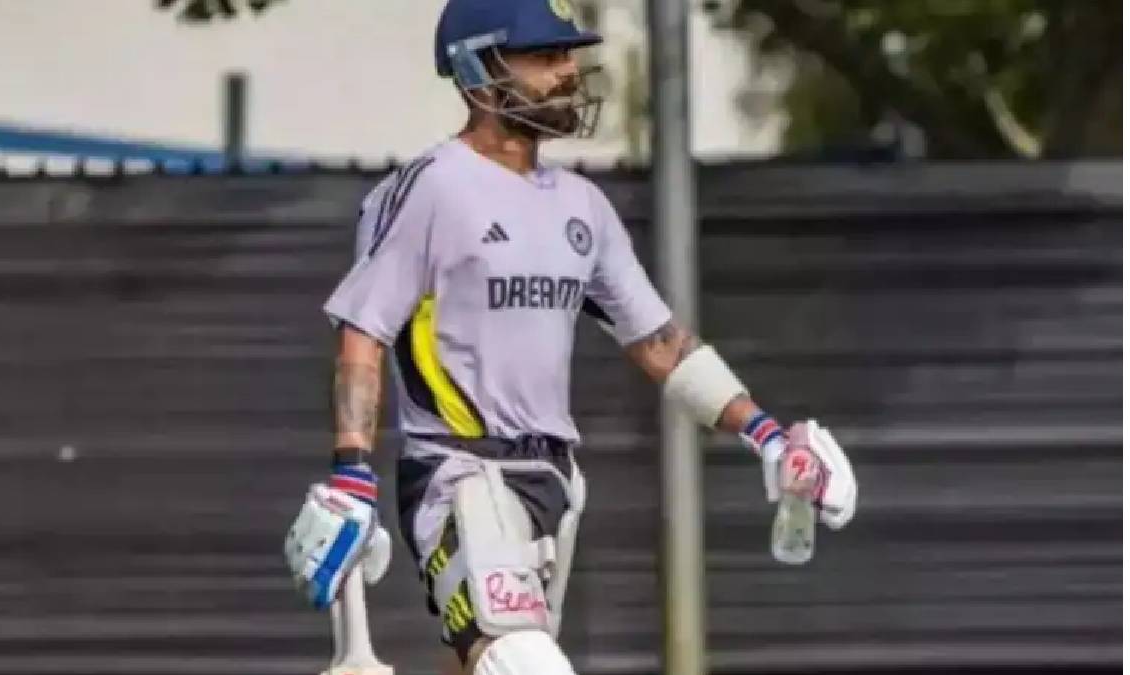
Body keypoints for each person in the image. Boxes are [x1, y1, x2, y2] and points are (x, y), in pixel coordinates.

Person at [284, 1, 855, 673]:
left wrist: (764, 433)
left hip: (554, 485)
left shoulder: (583, 207)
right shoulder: (430, 190)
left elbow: (661, 341)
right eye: (545, 57)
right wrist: (351, 473)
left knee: (484, 662)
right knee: (522, 660)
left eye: (567, 56)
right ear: (478, 72)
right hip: (459, 472)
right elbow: (363, 332)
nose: (567, 72)